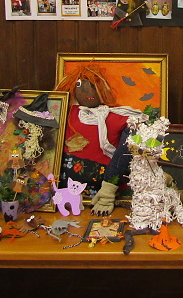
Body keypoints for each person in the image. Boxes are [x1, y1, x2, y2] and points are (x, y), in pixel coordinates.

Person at [55, 65, 145, 215]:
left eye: (93, 85)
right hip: (66, 192)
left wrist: (109, 187)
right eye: (80, 85)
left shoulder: (115, 115)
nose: (87, 90)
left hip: (104, 184)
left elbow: (138, 129)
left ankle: (107, 192)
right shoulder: (66, 112)